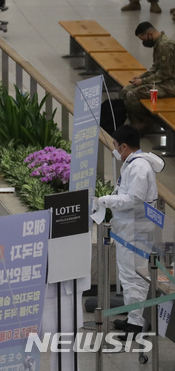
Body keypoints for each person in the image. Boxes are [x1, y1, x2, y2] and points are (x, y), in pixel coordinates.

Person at [92, 125, 164, 340]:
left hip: (136, 229)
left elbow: (134, 199)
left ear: (124, 146)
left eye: (115, 145)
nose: (114, 150)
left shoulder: (139, 167)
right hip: (129, 228)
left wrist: (104, 200)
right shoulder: (134, 165)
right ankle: (135, 317)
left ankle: (137, 324)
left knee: (134, 276)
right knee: (128, 275)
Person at [121, 22, 175, 133]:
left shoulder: (165, 46)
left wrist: (143, 81)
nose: (144, 42)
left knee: (132, 95)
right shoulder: (159, 44)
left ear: (150, 34)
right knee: (125, 90)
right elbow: (156, 68)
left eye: (144, 39)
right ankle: (136, 122)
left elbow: (165, 73)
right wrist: (140, 78)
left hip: (170, 84)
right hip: (163, 81)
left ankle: (149, 123)